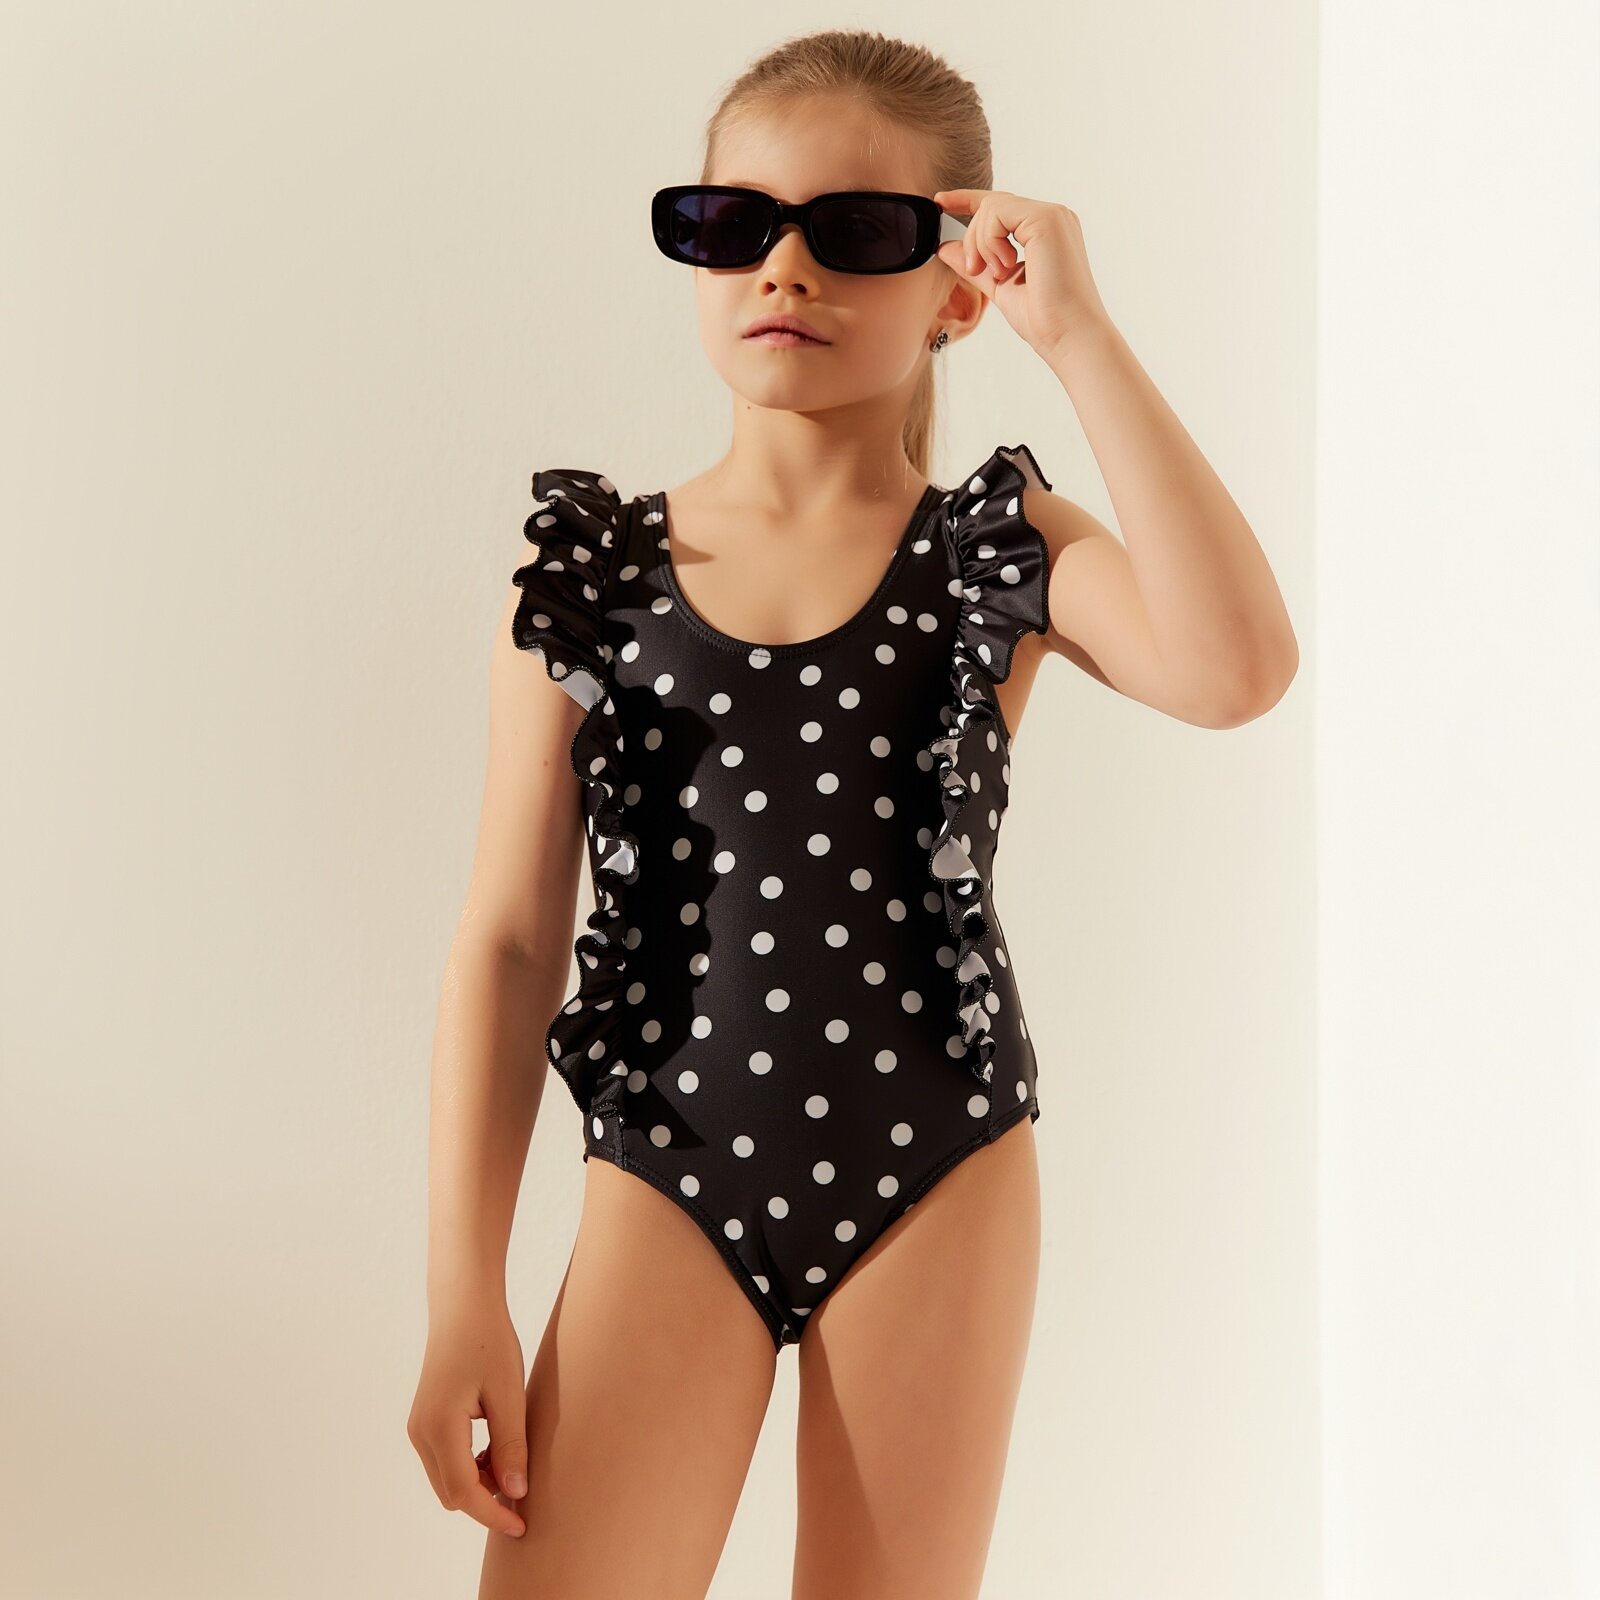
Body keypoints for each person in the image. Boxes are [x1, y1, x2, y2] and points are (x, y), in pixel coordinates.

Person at [407, 28, 1298, 1600]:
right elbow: (507, 943)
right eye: (733, 223)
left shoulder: (993, 549)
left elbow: (1235, 670)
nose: (787, 267)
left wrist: (1081, 336)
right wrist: (462, 1289)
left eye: (859, 230)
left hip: (938, 1166)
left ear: (959, 284)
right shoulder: (594, 577)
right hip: (670, 1165)